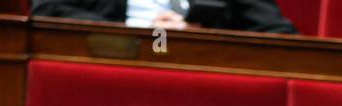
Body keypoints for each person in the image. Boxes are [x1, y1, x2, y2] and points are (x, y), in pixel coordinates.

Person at [31, 0, 296, 33]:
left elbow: (279, 34)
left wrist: (209, 37)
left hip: (204, 80)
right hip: (112, 65)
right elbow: (46, 11)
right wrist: (141, 29)